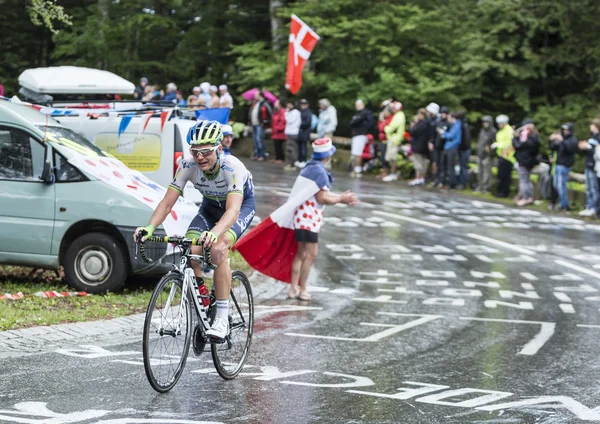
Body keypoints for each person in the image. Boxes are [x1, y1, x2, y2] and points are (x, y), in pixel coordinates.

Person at [134, 120, 256, 341]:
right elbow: (167, 203)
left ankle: (221, 317)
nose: (200, 157)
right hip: (209, 208)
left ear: (219, 149)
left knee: (218, 249)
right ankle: (202, 299)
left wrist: (215, 232)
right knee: (192, 248)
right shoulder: (187, 166)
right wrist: (150, 227)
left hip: (238, 209)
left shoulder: (232, 167)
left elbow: (233, 210)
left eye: (206, 151)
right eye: (195, 151)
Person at [288, 138, 358, 300]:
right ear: (326, 156)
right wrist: (341, 199)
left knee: (300, 253)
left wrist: (341, 196)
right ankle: (303, 289)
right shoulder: (320, 172)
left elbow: (322, 193)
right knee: (311, 254)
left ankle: (293, 289)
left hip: (300, 218)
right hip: (309, 220)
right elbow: (321, 198)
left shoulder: (310, 167)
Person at [549, 123, 578, 211]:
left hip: (565, 165)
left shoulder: (572, 139)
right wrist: (553, 141)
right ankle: (562, 202)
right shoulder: (563, 138)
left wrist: (562, 141)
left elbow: (569, 149)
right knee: (556, 185)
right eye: (564, 129)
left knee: (561, 185)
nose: (565, 131)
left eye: (566, 129)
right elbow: (554, 148)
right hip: (558, 164)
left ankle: (564, 204)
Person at [512, 118, 540, 206]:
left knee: (523, 180)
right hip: (529, 160)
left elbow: (518, 146)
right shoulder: (535, 136)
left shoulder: (528, 137)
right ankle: (529, 197)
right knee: (527, 180)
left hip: (525, 160)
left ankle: (525, 197)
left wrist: (515, 138)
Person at [578, 119, 600, 216]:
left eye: (592, 125)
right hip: (588, 163)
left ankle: (594, 207)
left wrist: (588, 147)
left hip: (594, 166)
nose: (590, 127)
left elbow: (596, 152)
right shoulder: (592, 137)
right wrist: (583, 147)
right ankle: (589, 206)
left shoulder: (598, 137)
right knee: (588, 188)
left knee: (594, 188)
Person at [349, 99, 374, 178]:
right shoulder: (357, 114)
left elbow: (355, 122)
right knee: (354, 153)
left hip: (361, 135)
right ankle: (354, 170)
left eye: (359, 105)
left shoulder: (365, 113)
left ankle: (357, 170)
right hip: (355, 135)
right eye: (356, 105)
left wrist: (355, 121)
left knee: (358, 153)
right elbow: (351, 123)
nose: (357, 107)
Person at [491, 114, 515, 198]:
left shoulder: (508, 130)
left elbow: (509, 143)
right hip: (502, 155)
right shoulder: (501, 130)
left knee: (505, 176)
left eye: (499, 123)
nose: (498, 125)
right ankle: (500, 191)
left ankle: (504, 192)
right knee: (500, 175)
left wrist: (498, 145)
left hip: (507, 156)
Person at [408, 108, 432, 186]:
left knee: (418, 163)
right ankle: (422, 178)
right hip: (425, 146)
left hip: (418, 145)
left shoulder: (421, 124)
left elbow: (413, 132)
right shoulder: (429, 123)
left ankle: (418, 178)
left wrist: (413, 125)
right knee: (424, 162)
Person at [438, 112, 462, 189]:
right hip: (448, 147)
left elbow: (450, 136)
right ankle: (447, 182)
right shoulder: (453, 125)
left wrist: (443, 132)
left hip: (452, 148)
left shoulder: (457, 125)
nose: (448, 119)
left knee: (450, 166)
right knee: (446, 165)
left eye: (449, 118)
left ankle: (451, 183)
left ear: (453, 118)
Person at [474, 115, 497, 194]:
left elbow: (494, 144)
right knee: (480, 172)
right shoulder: (482, 131)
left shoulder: (493, 131)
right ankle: (479, 186)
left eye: (486, 122)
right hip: (480, 154)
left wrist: (490, 153)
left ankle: (486, 188)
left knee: (487, 173)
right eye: (484, 122)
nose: (485, 124)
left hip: (487, 155)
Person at [248, 91, 272, 161]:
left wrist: (265, 121)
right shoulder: (255, 103)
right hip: (254, 124)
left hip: (260, 124)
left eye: (256, 94)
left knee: (259, 139)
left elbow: (270, 113)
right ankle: (256, 154)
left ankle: (262, 155)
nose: (255, 96)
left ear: (260, 95)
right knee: (255, 140)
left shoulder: (265, 103)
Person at [376, 103, 394, 179]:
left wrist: (382, 120)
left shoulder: (390, 119)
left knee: (385, 157)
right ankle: (384, 172)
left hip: (387, 140)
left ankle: (387, 172)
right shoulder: (385, 119)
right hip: (382, 140)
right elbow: (379, 126)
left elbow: (382, 128)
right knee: (382, 157)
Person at [284, 100, 301, 171]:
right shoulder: (294, 112)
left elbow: (290, 120)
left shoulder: (295, 112)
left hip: (293, 132)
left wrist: (286, 113)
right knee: (290, 148)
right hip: (290, 132)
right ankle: (291, 163)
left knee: (291, 148)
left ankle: (292, 164)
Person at [296, 99, 312, 168]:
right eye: (302, 104)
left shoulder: (308, 112)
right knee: (299, 147)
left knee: (304, 147)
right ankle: (299, 159)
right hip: (299, 132)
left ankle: (304, 160)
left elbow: (307, 122)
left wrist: (299, 124)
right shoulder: (299, 111)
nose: (303, 105)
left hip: (305, 132)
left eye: (304, 104)